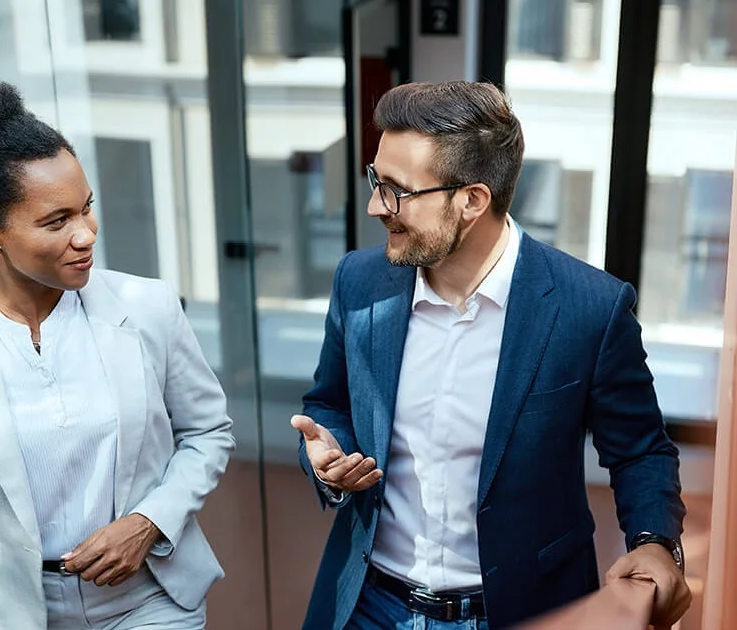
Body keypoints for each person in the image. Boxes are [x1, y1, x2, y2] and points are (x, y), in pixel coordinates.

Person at [291, 81, 689, 630]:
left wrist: (653, 542)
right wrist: (330, 459)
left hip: (515, 609)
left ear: (472, 200)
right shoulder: (359, 282)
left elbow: (641, 449)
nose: (375, 206)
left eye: (397, 191)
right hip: (369, 603)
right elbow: (329, 402)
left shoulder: (588, 309)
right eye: (376, 181)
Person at [0, 71, 234, 630]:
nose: (86, 234)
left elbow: (209, 432)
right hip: (27, 615)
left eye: (85, 207)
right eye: (57, 221)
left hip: (151, 601)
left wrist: (149, 521)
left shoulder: (147, 308)